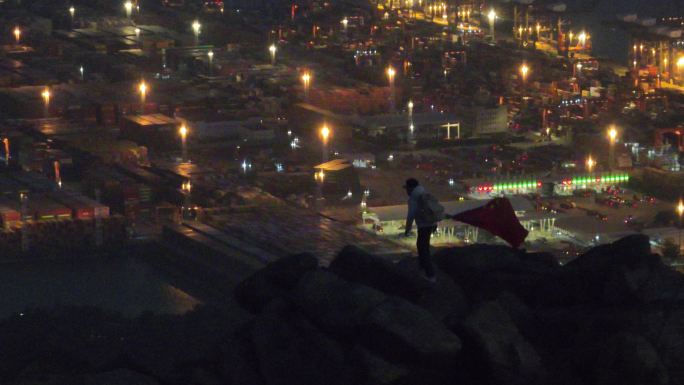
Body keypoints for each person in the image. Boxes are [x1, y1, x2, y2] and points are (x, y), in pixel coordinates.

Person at [404, 178, 437, 283]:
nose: (406, 191)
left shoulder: (414, 197)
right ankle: (423, 269)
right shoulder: (424, 192)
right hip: (432, 223)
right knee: (425, 246)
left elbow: (411, 215)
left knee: (422, 248)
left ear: (410, 188)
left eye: (407, 188)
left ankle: (430, 275)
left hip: (424, 225)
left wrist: (407, 229)